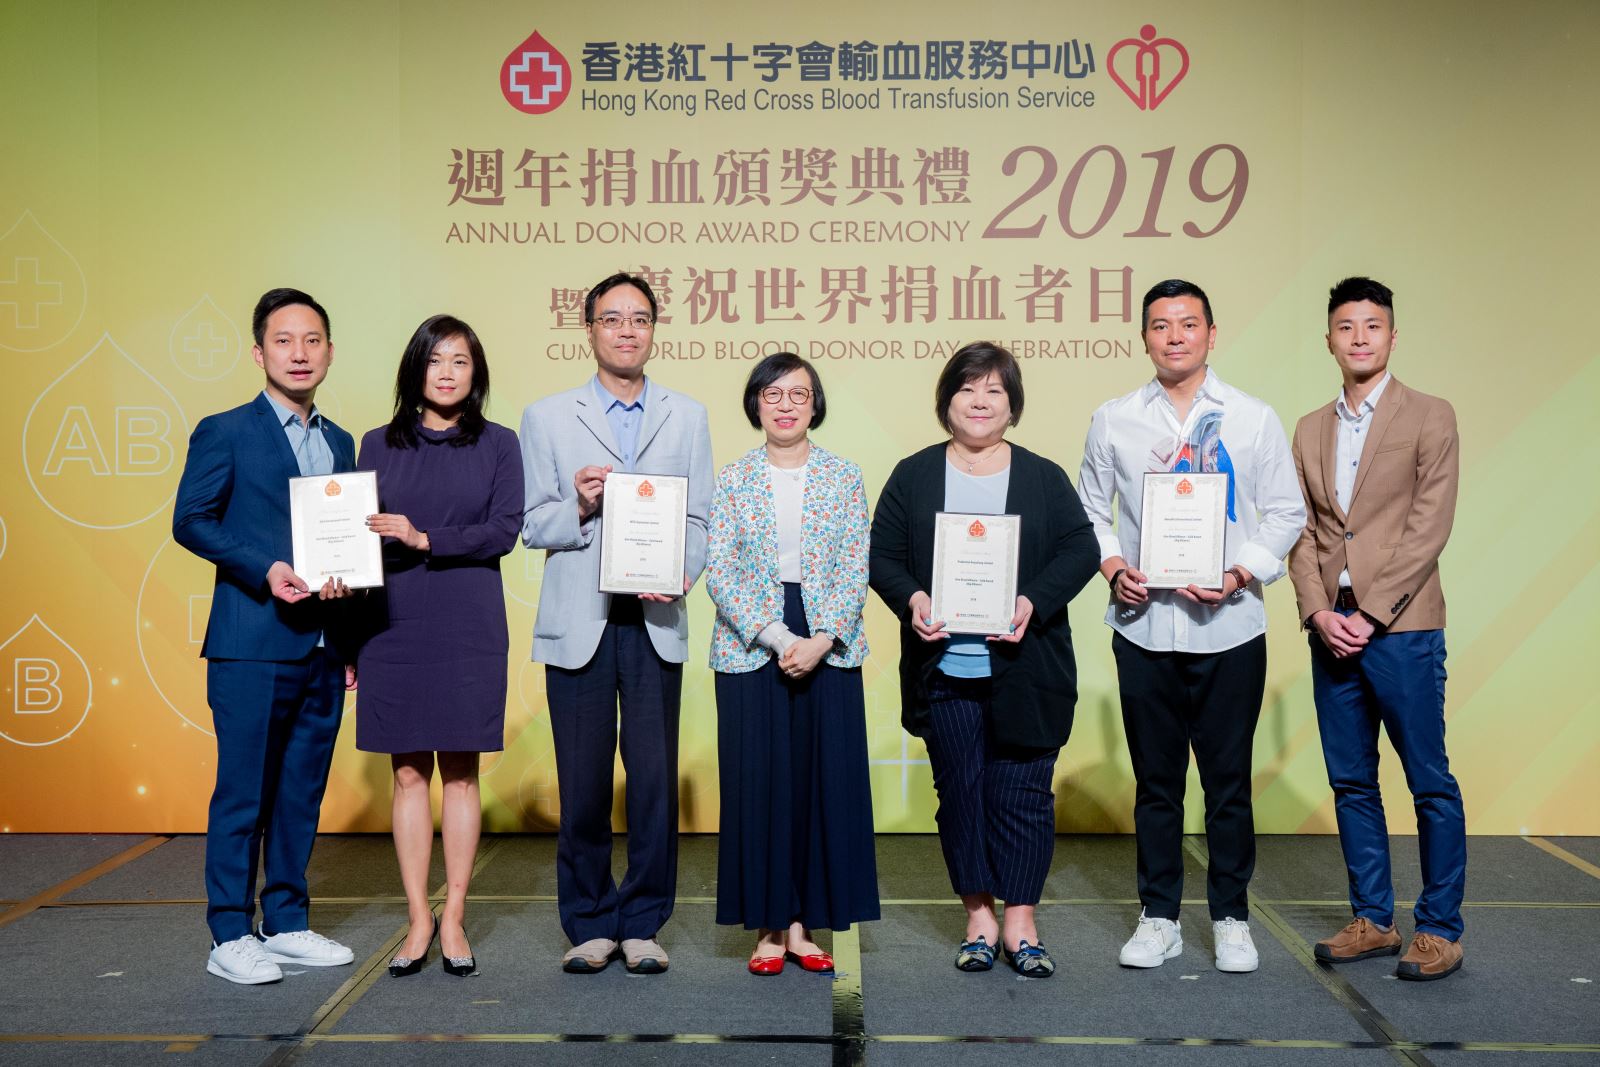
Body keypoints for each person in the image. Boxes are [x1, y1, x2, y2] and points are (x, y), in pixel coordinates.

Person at [1077, 279, 1305, 974]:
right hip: (1144, 625)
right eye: (1159, 325)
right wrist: (1114, 563)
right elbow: (1087, 509)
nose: (1174, 335)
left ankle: (1232, 916)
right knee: (1156, 781)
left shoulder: (1252, 417)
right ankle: (1159, 916)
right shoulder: (1114, 418)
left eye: (1188, 323)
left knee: (1228, 781)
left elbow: (1285, 513)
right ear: (1143, 337)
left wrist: (1240, 573)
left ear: (1211, 333)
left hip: (1229, 626)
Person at [869, 342, 1098, 978]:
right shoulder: (914, 474)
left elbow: (1081, 550)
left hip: (1026, 671)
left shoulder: (1043, 476)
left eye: (994, 390)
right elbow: (882, 553)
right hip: (945, 670)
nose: (979, 401)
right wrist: (913, 596)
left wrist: (1033, 600)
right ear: (947, 402)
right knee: (961, 795)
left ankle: (1021, 920)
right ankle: (978, 916)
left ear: (1012, 405)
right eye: (968, 389)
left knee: (1024, 793)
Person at [520, 272, 713, 974]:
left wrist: (683, 570)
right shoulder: (546, 416)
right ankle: (589, 920)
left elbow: (699, 519)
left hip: (655, 618)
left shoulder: (687, 415)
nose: (627, 330)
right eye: (612, 319)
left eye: (639, 319)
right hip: (582, 620)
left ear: (653, 330)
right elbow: (529, 524)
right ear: (590, 329)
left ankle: (643, 921)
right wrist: (577, 503)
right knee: (584, 783)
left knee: (655, 781)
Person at [173, 287, 358, 984]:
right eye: (284, 340)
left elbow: (340, 544)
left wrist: (346, 634)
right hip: (251, 640)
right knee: (243, 791)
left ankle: (285, 920)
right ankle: (229, 931)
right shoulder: (224, 430)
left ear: (330, 352)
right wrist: (266, 567)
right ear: (259, 352)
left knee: (301, 791)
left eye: (313, 340)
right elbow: (191, 519)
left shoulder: (339, 441)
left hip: (320, 647)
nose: (300, 352)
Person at [1289, 277, 1465, 981]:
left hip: (1403, 629)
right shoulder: (1309, 428)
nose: (1359, 336)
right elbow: (1301, 531)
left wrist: (1368, 612)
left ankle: (1440, 929)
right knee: (1352, 781)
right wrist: (1316, 611)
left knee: (1428, 779)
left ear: (1393, 336)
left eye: (1372, 325)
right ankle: (1373, 919)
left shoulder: (1430, 414)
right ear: (1328, 338)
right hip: (1332, 631)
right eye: (1346, 326)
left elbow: (1429, 526)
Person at [355, 315, 522, 978]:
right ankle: (417, 918)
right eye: (436, 359)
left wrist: (425, 538)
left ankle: (453, 913)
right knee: (405, 772)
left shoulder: (500, 444)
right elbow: (352, 541)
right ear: (415, 369)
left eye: (461, 360)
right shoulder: (375, 444)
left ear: (476, 373)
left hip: (467, 617)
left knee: (460, 770)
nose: (448, 371)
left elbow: (504, 529)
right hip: (391, 618)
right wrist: (346, 628)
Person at [704, 353, 879, 975]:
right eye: (772, 393)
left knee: (819, 786)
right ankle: (770, 928)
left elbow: (857, 562)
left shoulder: (843, 475)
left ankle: (804, 925)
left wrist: (823, 636)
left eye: (797, 394)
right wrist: (780, 638)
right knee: (760, 786)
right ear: (756, 403)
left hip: (830, 637)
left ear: (815, 404)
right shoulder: (732, 478)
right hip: (753, 641)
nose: (784, 404)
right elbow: (719, 570)